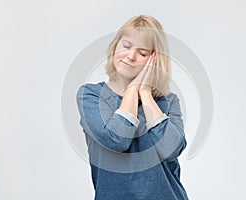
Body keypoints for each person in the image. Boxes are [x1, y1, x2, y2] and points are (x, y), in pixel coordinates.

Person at [76, 15, 189, 200]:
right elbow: (116, 140)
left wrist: (145, 93)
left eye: (143, 53)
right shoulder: (90, 95)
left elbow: (171, 150)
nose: (131, 56)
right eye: (126, 46)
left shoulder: (168, 101)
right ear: (115, 47)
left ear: (155, 61)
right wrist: (132, 89)